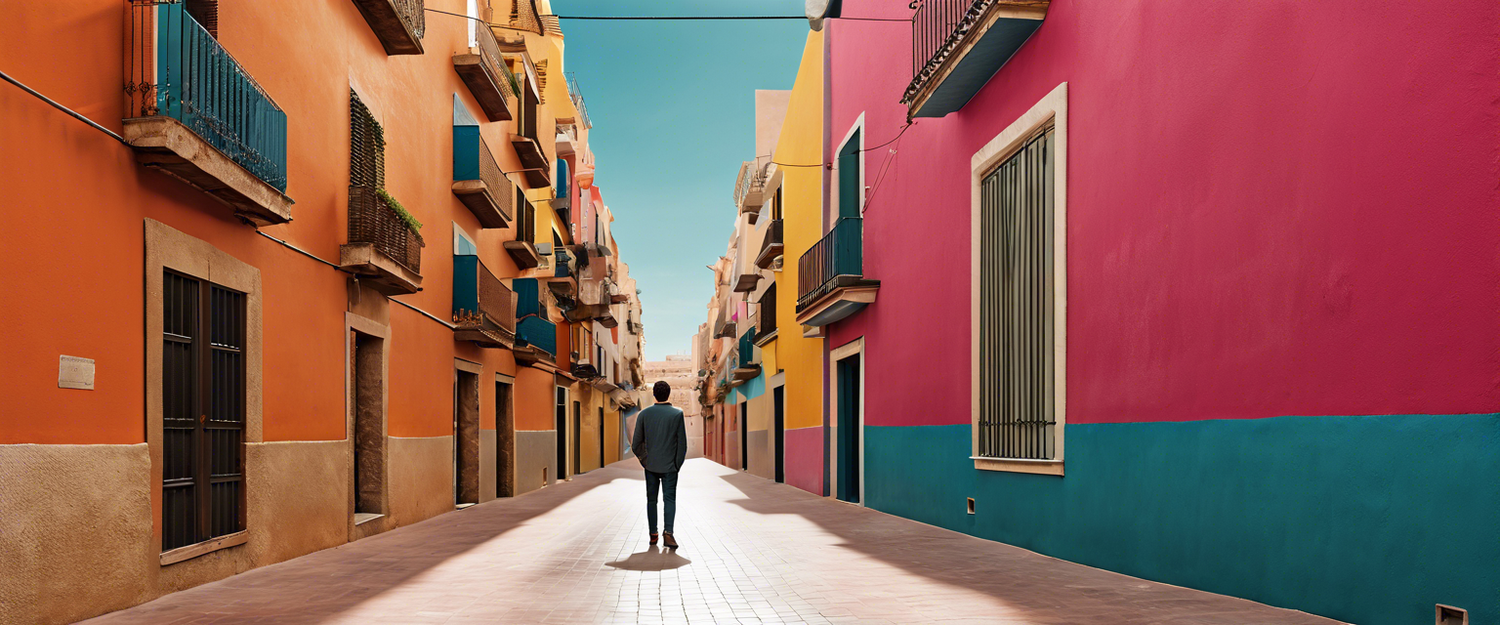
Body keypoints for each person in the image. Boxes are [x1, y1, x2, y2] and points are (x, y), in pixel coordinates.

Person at [632, 380, 687, 549]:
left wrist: (646, 461)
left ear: (654, 394)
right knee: (669, 499)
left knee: (651, 500)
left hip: (651, 467)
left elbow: (636, 444)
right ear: (668, 394)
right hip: (671, 467)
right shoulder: (677, 414)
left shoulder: (644, 415)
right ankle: (668, 533)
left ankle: (653, 534)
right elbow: (682, 444)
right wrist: (676, 465)